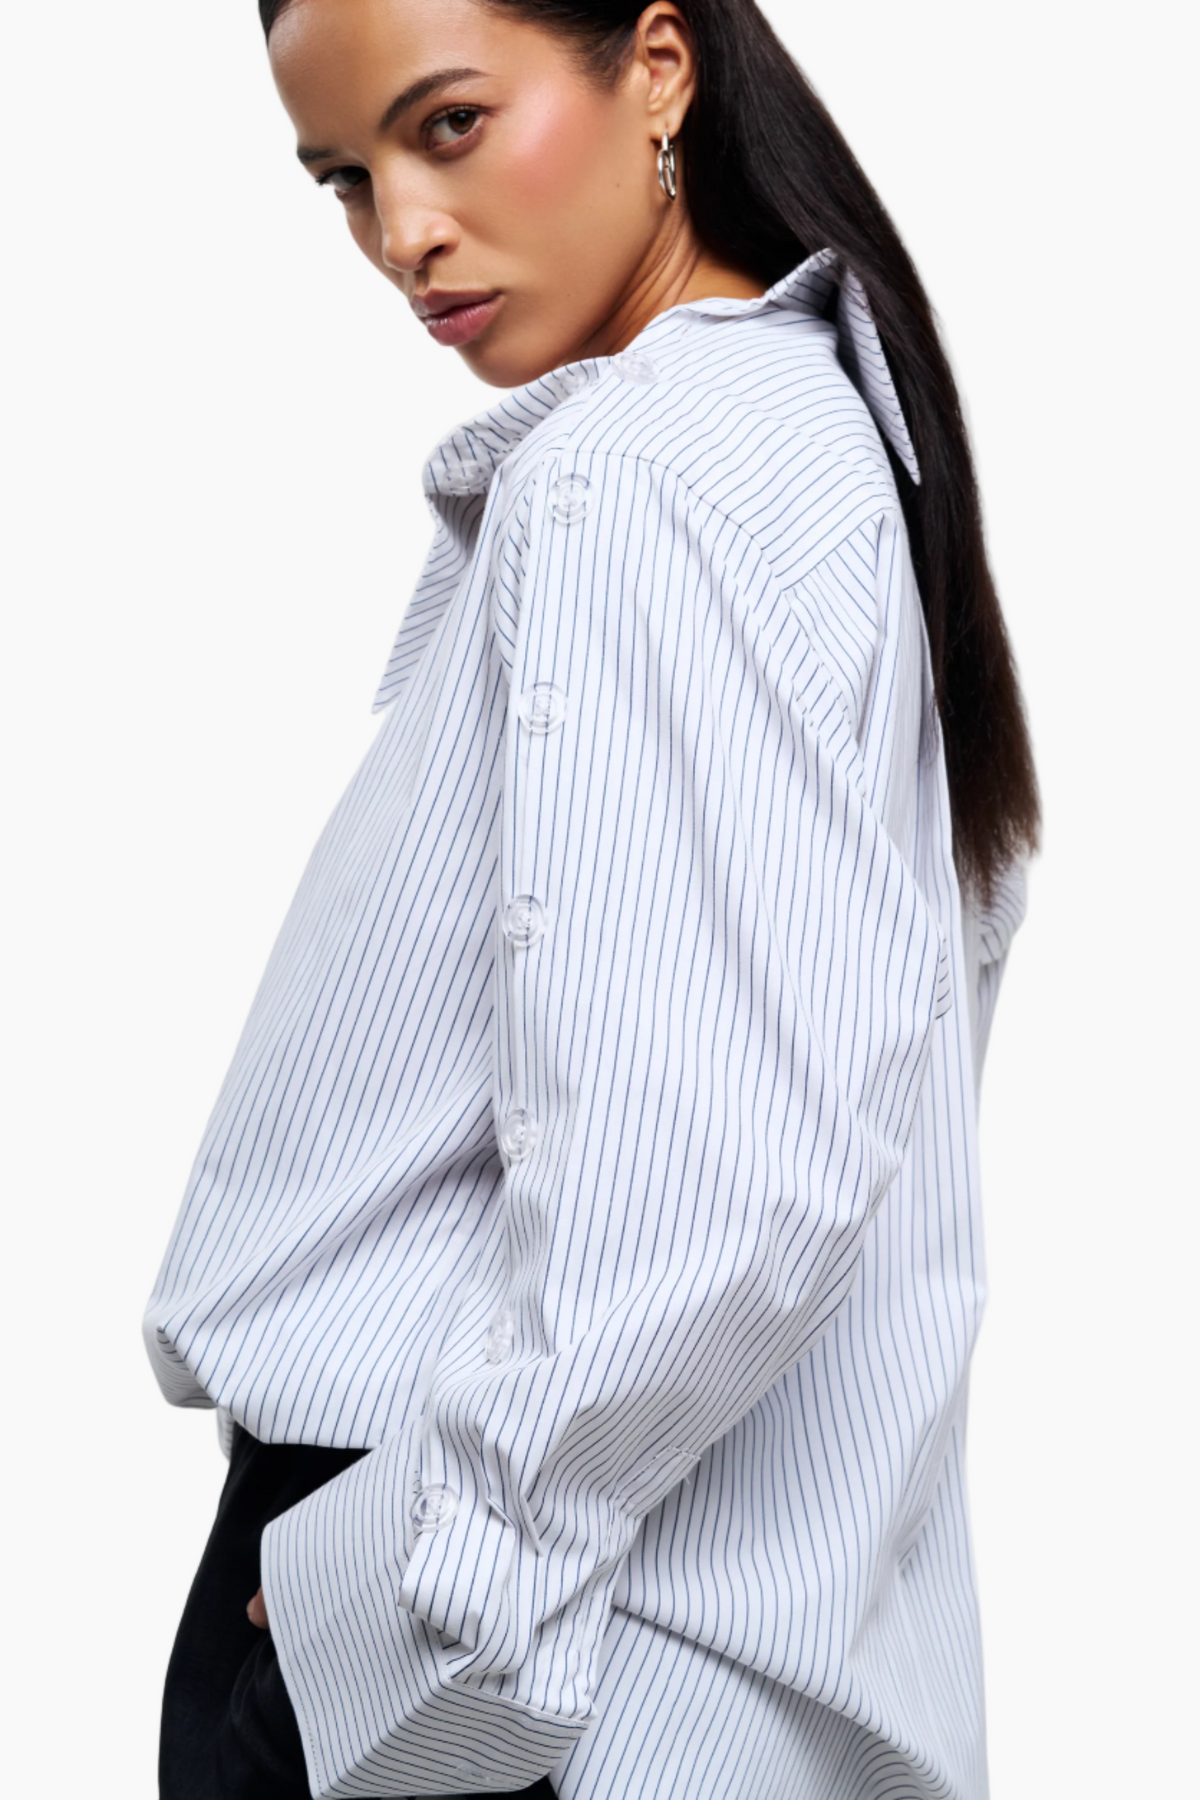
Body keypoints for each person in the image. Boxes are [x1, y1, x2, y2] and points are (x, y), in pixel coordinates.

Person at [144, 1, 1040, 1796]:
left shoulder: (644, 477)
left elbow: (712, 1173)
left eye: (449, 127)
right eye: (344, 178)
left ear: (659, 65)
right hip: (695, 1654)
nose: (401, 234)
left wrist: (423, 1605)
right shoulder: (813, 435)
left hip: (530, 1657)